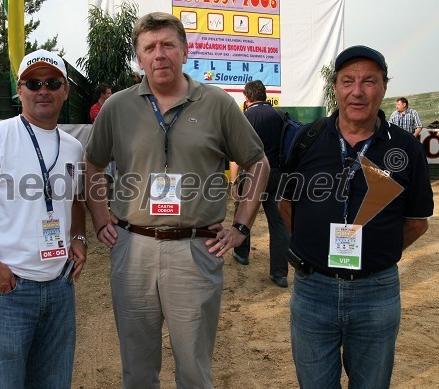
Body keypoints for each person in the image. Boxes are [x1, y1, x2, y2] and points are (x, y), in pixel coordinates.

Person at [83, 12, 269, 388]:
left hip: (194, 250)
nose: (159, 54)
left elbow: (258, 163)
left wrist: (241, 226)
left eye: (168, 45)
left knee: (194, 369)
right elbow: (93, 162)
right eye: (149, 48)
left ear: (185, 50)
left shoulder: (217, 104)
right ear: (139, 58)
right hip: (132, 248)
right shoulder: (117, 107)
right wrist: (101, 219)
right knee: (137, 369)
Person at [278, 45, 434, 388]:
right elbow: (286, 205)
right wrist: (313, 248)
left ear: (384, 87)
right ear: (335, 87)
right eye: (348, 81)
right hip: (312, 290)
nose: (358, 91)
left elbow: (417, 222)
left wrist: (377, 252)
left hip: (376, 293)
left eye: (369, 81)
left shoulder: (406, 148)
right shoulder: (307, 139)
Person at [0, 49, 87, 388]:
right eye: (33, 83)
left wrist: (79, 239)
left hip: (59, 287)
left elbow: (77, 198)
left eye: (52, 82)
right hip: (9, 289)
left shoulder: (72, 147)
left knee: (54, 381)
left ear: (65, 90)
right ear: (20, 91)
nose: (43, 90)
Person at [230, 80, 290, 288]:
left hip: (252, 173)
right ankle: (280, 273)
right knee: (279, 224)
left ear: (247, 97)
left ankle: (241, 253)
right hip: (278, 174)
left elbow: (237, 155)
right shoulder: (281, 115)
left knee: (243, 214)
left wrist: (234, 182)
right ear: (264, 95)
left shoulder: (244, 117)